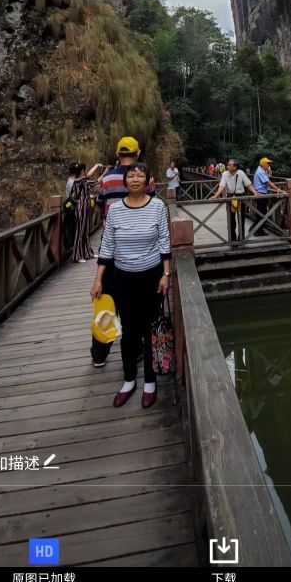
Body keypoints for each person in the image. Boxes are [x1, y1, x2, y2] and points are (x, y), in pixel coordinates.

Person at [90, 163, 171, 408]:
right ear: (125, 181)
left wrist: (166, 274)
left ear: (147, 181)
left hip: (151, 275)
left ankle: (149, 381)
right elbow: (107, 245)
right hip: (122, 277)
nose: (136, 179)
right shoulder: (114, 210)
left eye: (140, 175)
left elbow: (164, 241)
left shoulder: (157, 206)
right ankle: (128, 380)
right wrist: (98, 278)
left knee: (149, 328)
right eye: (131, 175)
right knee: (128, 329)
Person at [98, 136, 155, 215]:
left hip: (113, 226)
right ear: (138, 153)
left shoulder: (106, 179)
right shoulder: (147, 178)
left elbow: (100, 205)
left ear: (117, 154)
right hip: (141, 226)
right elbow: (152, 204)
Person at [209, 158, 256, 241]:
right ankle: (232, 238)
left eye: (229, 165)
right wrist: (216, 195)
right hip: (230, 197)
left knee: (241, 218)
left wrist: (255, 193)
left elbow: (248, 184)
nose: (227, 166)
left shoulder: (241, 173)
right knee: (231, 219)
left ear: (235, 167)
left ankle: (241, 237)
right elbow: (222, 186)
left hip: (241, 197)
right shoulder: (225, 174)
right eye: (227, 164)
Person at [72, 162, 101, 263]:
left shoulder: (84, 181)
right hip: (80, 207)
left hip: (85, 207)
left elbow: (96, 181)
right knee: (80, 231)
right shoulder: (78, 181)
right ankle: (77, 255)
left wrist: (106, 173)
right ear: (82, 171)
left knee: (85, 231)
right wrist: (96, 165)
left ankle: (87, 253)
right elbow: (88, 176)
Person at [252, 157, 284, 234]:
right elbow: (268, 182)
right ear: (262, 164)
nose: (269, 165)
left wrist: (269, 171)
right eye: (267, 163)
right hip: (260, 194)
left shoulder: (262, 170)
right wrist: (277, 189)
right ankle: (258, 231)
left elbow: (268, 176)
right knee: (261, 213)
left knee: (261, 212)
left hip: (262, 193)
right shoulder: (260, 172)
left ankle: (254, 228)